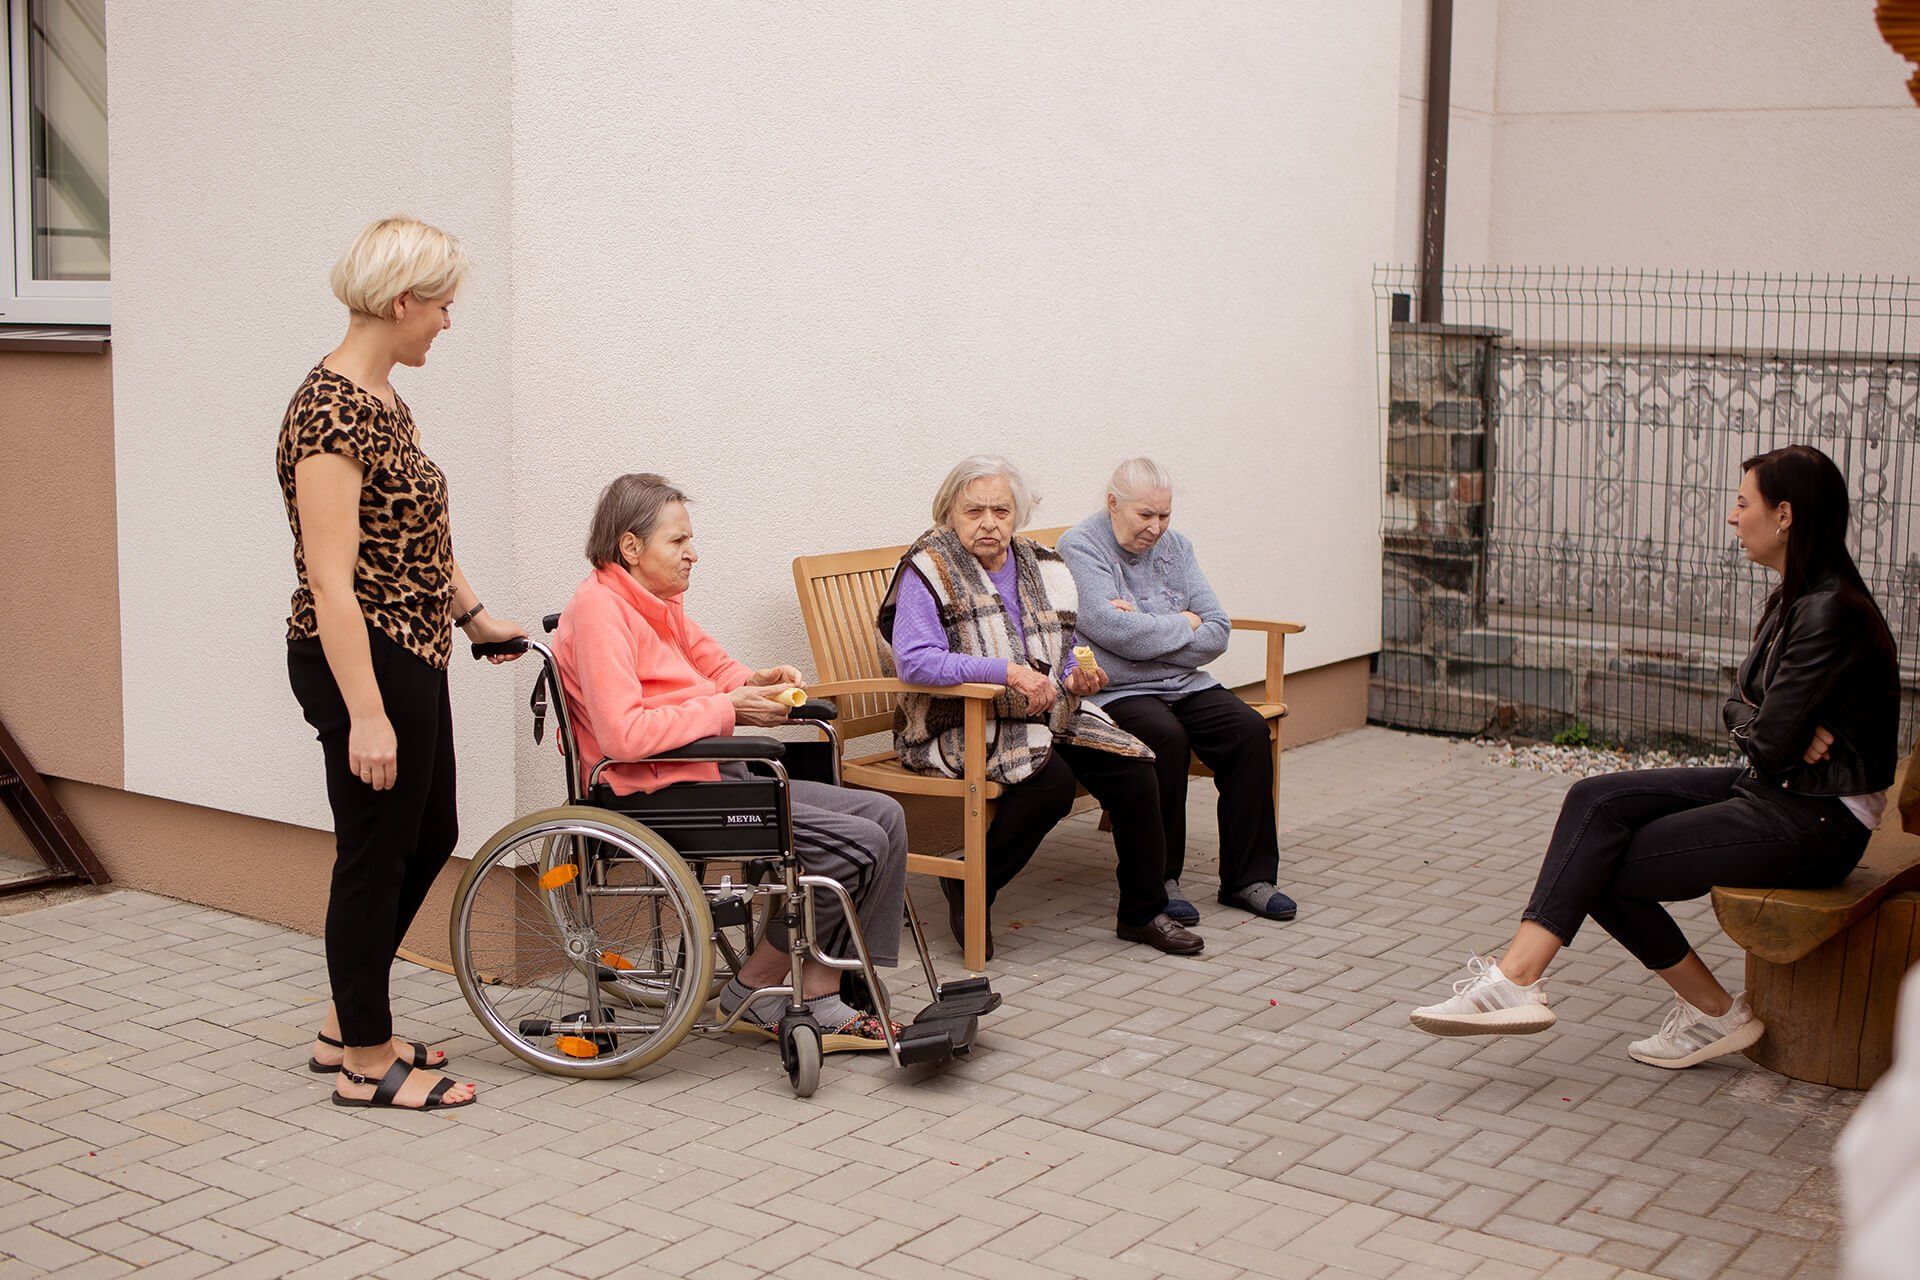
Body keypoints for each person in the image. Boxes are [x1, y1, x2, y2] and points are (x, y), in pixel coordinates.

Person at [1411, 445, 1900, 1068]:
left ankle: (1696, 1011)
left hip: (1819, 820)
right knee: (1594, 801)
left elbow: (1772, 744)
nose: (1732, 517)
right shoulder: (1799, 597)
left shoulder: (1830, 609)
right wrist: (1764, 721)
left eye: (1742, 502)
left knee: (1596, 864)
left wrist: (1770, 727)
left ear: (1785, 516)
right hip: (1781, 790)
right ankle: (1523, 981)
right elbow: (1744, 708)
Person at [282, 215, 526, 1111]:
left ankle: (352, 1019)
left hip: (415, 646)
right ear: (400, 301)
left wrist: (473, 614)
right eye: (444, 305)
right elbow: (332, 578)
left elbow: (417, 529)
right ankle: (364, 1061)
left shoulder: (385, 398)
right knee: (375, 854)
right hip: (362, 659)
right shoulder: (330, 411)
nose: (448, 323)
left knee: (426, 833)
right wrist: (368, 712)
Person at [554, 473, 906, 1050]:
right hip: (654, 792)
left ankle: (832, 983)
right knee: (857, 845)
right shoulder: (601, 612)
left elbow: (712, 669)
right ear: (631, 547)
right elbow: (622, 734)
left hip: (706, 774)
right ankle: (762, 987)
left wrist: (755, 681)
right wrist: (727, 709)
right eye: (678, 541)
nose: (693, 553)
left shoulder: (656, 604)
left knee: (885, 815)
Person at [876, 455, 1204, 961]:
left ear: (1018, 514)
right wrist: (1004, 672)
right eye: (974, 511)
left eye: (1001, 511)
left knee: (1134, 766)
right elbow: (916, 663)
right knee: (1048, 784)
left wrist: (1078, 673)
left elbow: (1064, 643)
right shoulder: (929, 567)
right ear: (949, 513)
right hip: (954, 720)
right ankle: (972, 887)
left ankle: (1142, 911)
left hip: (1041, 714)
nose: (989, 523)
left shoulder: (1039, 563)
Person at [1057, 457, 1298, 926]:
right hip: (1119, 691)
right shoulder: (1080, 547)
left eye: (1164, 515)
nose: (1156, 527)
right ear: (1113, 504)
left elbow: (1218, 630)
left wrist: (1144, 631)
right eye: (1145, 515)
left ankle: (1248, 879)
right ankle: (1162, 881)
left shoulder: (1177, 549)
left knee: (1248, 732)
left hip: (1184, 683)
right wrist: (1181, 625)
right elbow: (1108, 628)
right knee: (1165, 739)